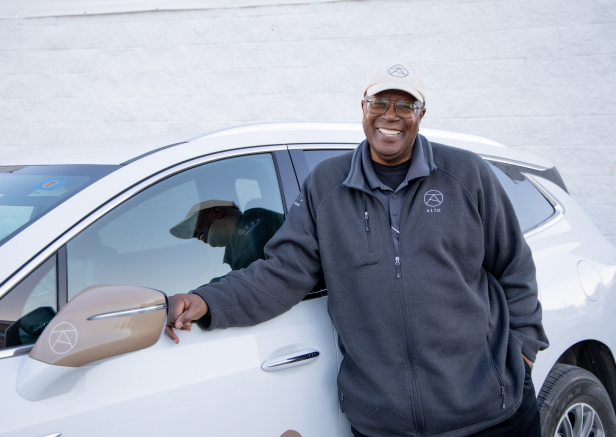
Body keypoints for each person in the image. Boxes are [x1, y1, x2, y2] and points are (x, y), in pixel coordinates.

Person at [165, 62, 549, 437]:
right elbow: (282, 273)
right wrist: (207, 300)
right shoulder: (326, 185)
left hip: (491, 415)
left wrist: (523, 353)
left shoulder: (465, 174)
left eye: (405, 106)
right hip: (383, 423)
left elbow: (514, 265)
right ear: (363, 109)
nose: (391, 116)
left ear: (421, 114)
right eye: (379, 104)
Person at [169, 199, 285, 280]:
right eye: (196, 236)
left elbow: (250, 276)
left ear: (217, 212)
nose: (198, 237)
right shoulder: (232, 248)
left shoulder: (253, 219)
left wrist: (199, 296)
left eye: (197, 228)